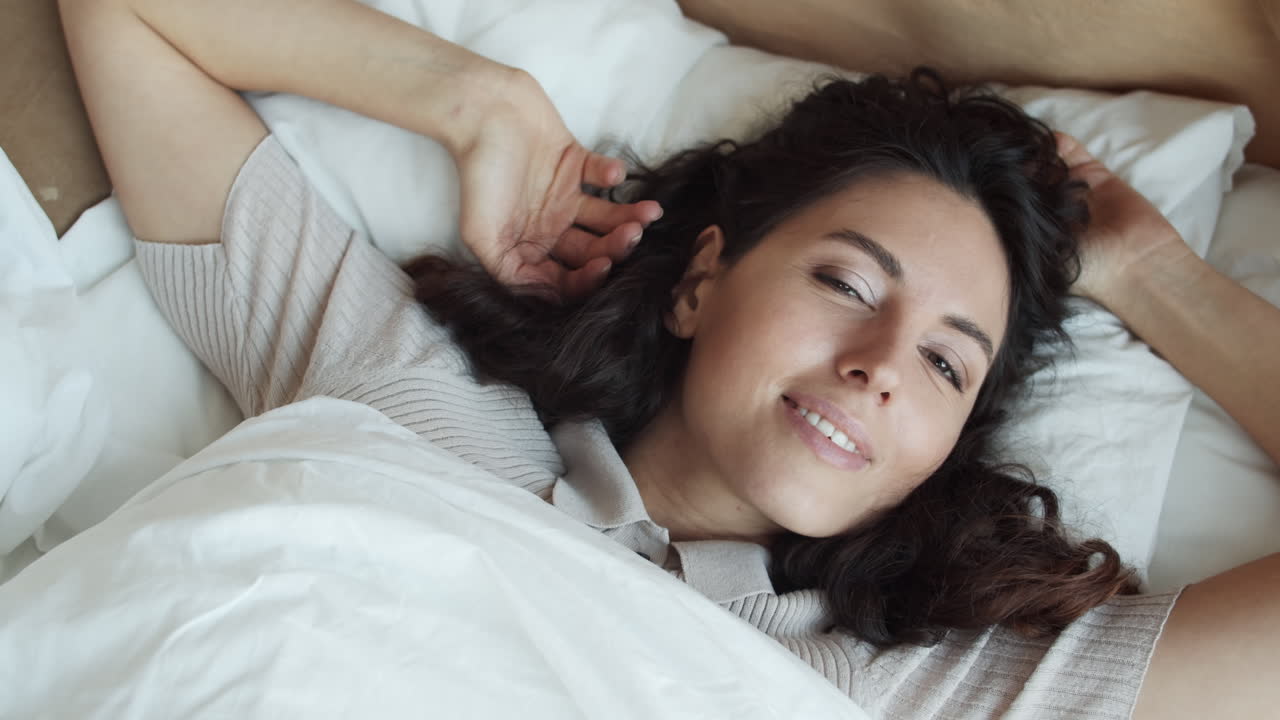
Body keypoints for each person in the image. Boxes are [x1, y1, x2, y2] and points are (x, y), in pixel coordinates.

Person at [59, 0, 1279, 718]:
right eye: (847, 283)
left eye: (948, 369)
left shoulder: (921, 690)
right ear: (700, 282)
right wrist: (479, 103)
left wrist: (1159, 283)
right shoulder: (414, 396)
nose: (878, 367)